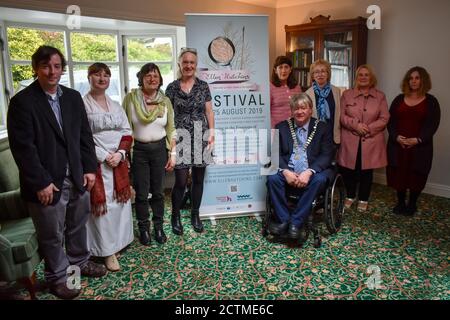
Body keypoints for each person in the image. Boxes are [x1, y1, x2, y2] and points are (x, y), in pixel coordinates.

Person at [7, 46, 106, 300]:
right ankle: (59, 278)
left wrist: (89, 169)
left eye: (57, 66)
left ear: (63, 69)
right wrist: (40, 182)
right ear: (35, 68)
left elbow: (84, 136)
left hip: (77, 176)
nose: (52, 72)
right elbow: (23, 148)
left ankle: (80, 263)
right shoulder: (22, 102)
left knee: (77, 226)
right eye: (45, 66)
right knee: (52, 235)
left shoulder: (73, 97)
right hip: (46, 183)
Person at [83, 63, 134, 271]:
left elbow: (127, 131)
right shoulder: (82, 104)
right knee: (102, 209)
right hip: (97, 163)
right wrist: (104, 156)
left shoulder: (115, 105)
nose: (102, 78)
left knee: (119, 204)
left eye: (106, 75)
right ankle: (106, 250)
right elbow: (82, 137)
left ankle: (120, 241)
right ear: (89, 78)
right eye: (97, 75)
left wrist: (120, 154)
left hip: (118, 162)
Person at [266, 93, 334, 239]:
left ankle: (295, 222)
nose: (299, 112)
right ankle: (284, 220)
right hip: (288, 170)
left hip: (313, 171)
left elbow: (327, 155)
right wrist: (285, 171)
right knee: (271, 176)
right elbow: (275, 154)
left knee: (320, 180)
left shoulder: (323, 128)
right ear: (291, 111)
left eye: (303, 108)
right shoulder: (281, 127)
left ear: (310, 110)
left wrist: (309, 171)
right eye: (296, 108)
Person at [123, 63, 176, 245]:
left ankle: (159, 227)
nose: (152, 79)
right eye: (148, 76)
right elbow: (124, 127)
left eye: (156, 76)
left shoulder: (165, 101)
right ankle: (144, 228)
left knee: (159, 193)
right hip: (139, 152)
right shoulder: (131, 99)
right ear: (141, 79)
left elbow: (171, 129)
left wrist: (173, 153)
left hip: (160, 150)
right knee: (142, 194)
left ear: (160, 79)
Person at [165, 47, 215, 235]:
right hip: (180, 136)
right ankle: (175, 215)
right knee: (180, 179)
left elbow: (209, 111)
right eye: (185, 62)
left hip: (201, 135)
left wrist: (212, 133)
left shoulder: (203, 86)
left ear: (196, 65)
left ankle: (195, 214)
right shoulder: (171, 87)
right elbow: (167, 115)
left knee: (198, 179)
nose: (188, 65)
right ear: (179, 63)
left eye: (192, 62)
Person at [386, 66, 440, 216]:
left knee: (417, 176)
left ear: (423, 80)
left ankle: (412, 204)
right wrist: (396, 136)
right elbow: (390, 122)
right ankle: (401, 202)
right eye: (411, 78)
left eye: (417, 78)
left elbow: (433, 124)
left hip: (420, 148)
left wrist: (418, 140)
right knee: (399, 174)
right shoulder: (398, 99)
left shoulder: (431, 101)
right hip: (398, 146)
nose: (414, 81)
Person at [337, 64, 390, 212]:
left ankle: (363, 198)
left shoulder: (380, 96)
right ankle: (350, 195)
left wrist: (368, 128)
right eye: (360, 75)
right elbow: (341, 116)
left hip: (371, 140)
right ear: (356, 78)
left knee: (366, 171)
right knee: (349, 170)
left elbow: (385, 118)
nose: (363, 77)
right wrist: (356, 125)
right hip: (350, 139)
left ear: (371, 77)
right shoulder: (347, 94)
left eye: (366, 75)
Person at [306, 59, 341, 145]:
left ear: (328, 74)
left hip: (333, 137)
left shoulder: (337, 91)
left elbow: (340, 114)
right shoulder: (307, 94)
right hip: (315, 138)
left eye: (323, 71)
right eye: (316, 72)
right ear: (313, 75)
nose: (320, 74)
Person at [270, 55, 302, 128]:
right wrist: (274, 130)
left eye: (286, 67)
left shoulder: (297, 87)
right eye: (280, 67)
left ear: (290, 69)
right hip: (277, 129)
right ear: (275, 70)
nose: (283, 70)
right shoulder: (270, 87)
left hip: (295, 128)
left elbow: (301, 107)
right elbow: (267, 112)